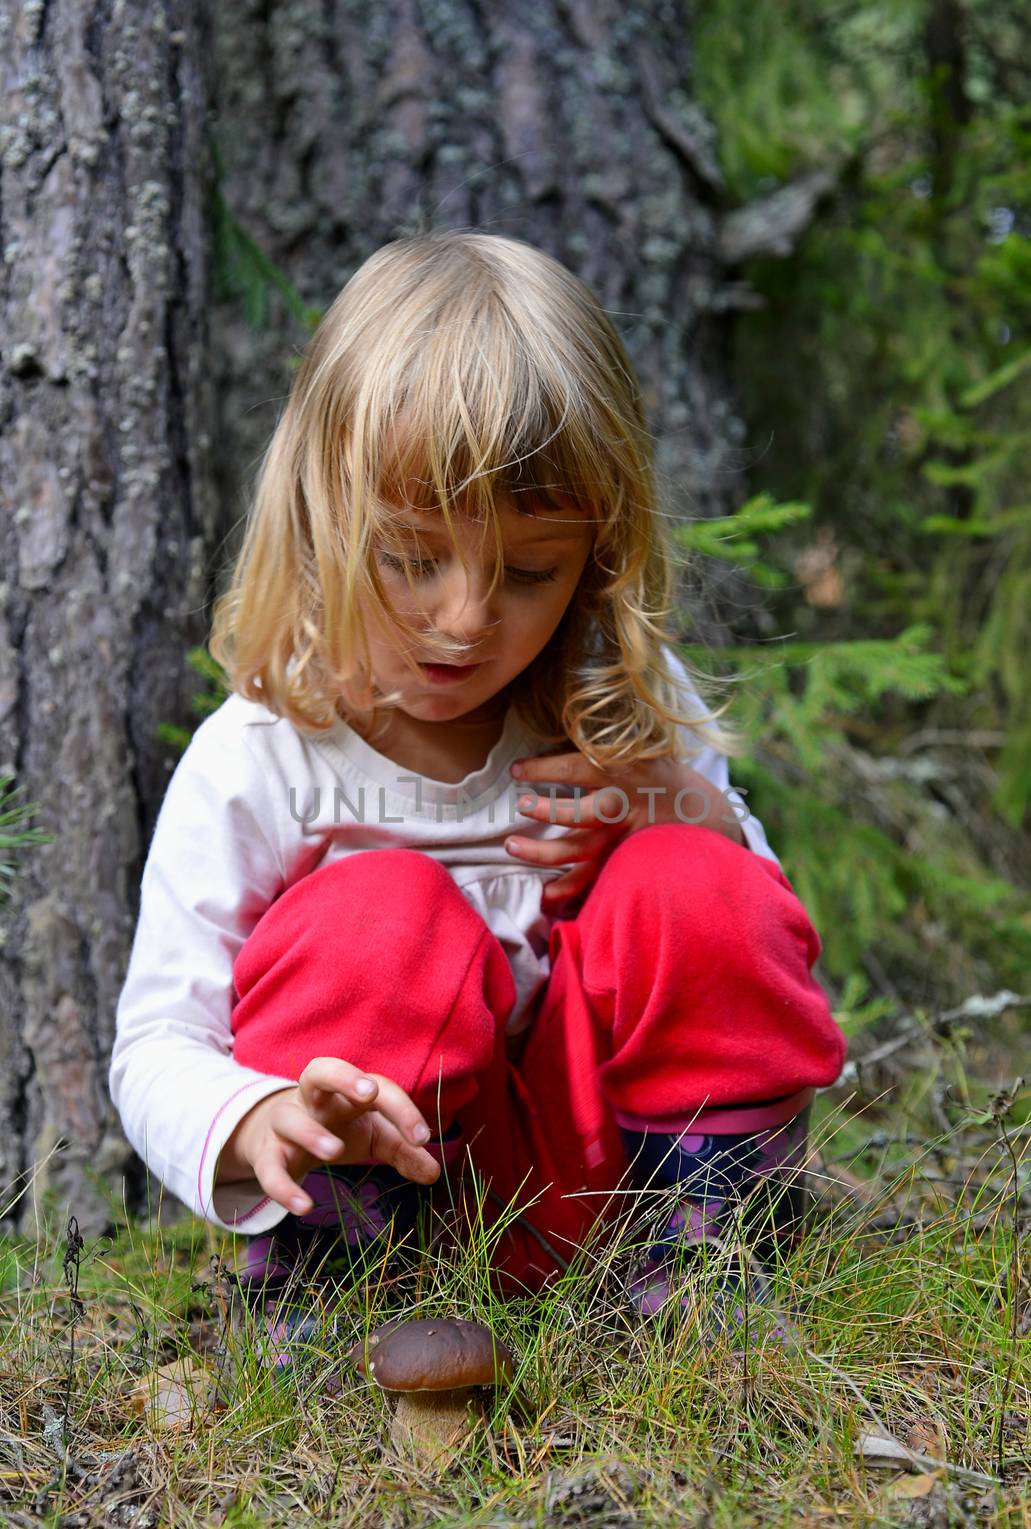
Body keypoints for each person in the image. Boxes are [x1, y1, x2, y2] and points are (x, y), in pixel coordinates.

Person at [110, 229, 847, 1376]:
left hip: (614, 1180)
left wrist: (670, 809)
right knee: (373, 914)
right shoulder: (265, 753)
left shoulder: (619, 703)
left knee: (692, 874)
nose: (464, 618)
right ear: (320, 515)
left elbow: (751, 933)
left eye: (525, 571)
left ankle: (705, 1262)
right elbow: (157, 1039)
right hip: (398, 1186)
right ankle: (342, 1284)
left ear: (597, 555)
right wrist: (252, 1121)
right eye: (411, 558)